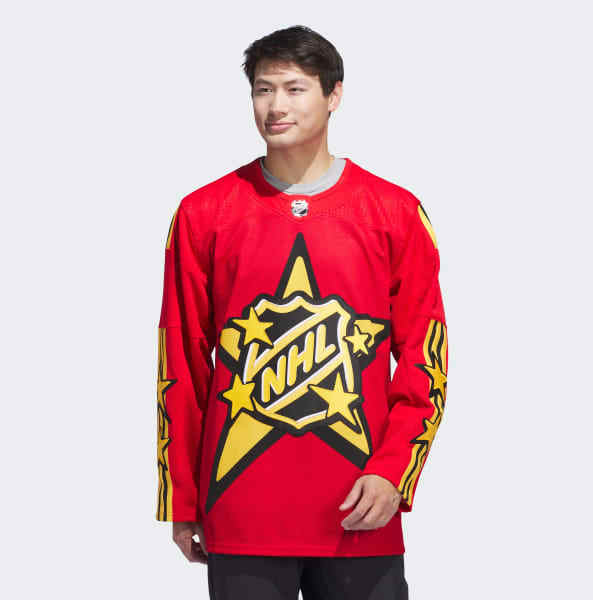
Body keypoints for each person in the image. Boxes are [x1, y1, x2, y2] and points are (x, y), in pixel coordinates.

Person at [156, 24, 448, 600]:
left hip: (360, 511)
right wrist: (183, 498)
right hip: (240, 511)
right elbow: (180, 363)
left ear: (333, 95)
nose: (276, 106)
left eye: (294, 89)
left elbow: (425, 358)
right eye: (263, 90)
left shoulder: (395, 211)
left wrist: (394, 471)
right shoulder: (202, 213)